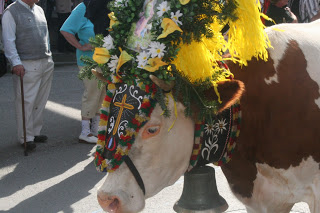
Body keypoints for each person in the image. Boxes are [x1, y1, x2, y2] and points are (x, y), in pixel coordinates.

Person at [2, 0, 54, 151]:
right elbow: (8, 41)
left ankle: (35, 131)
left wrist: (49, 56)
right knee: (26, 101)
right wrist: (16, 62)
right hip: (27, 63)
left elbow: (46, 36)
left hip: (45, 60)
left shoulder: (39, 9)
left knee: (41, 99)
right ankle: (26, 137)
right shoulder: (11, 12)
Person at [60, 0, 105, 144]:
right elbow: (65, 29)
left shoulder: (105, 5)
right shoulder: (83, 7)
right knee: (92, 93)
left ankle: (96, 130)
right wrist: (80, 46)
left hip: (105, 60)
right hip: (88, 60)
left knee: (102, 95)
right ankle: (85, 132)